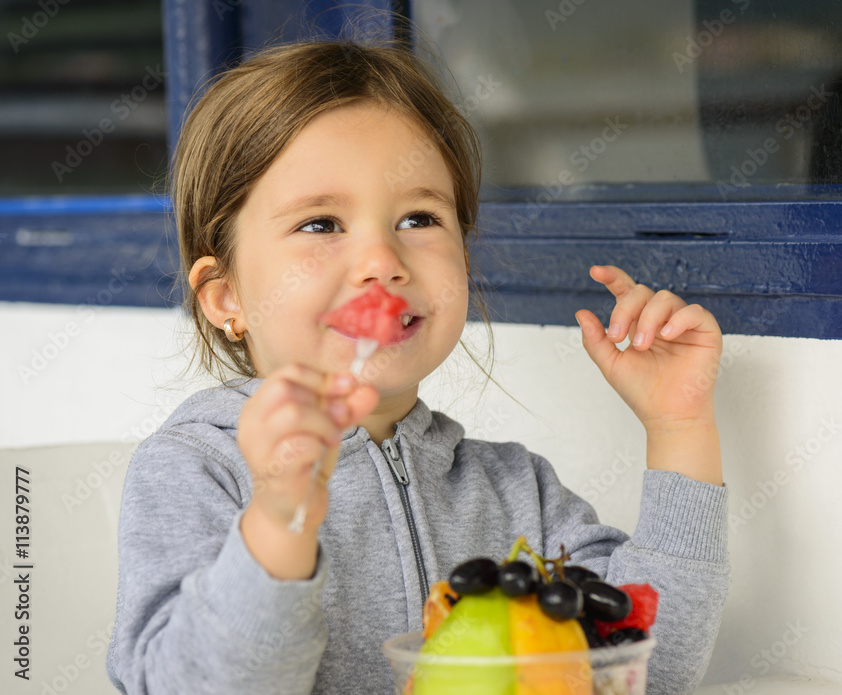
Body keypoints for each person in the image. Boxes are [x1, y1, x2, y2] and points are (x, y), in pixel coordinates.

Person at [106, 40, 730, 695]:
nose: (382, 258)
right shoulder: (194, 470)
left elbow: (644, 668)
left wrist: (680, 427)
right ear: (226, 295)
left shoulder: (520, 491)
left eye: (418, 217)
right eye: (320, 224)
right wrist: (278, 520)